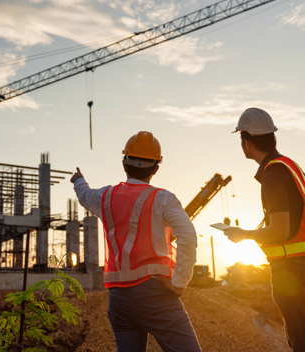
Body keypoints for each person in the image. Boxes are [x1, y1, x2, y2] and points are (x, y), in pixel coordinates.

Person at [70, 131, 201, 352]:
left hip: (119, 299)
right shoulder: (163, 198)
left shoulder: (106, 197)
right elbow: (188, 236)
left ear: (124, 165)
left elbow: (85, 195)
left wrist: (78, 180)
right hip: (155, 295)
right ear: (156, 168)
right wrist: (179, 283)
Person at [224, 107, 305, 351]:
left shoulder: (273, 175)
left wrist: (244, 235)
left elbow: (280, 231)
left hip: (293, 271)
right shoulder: (289, 166)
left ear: (247, 142)